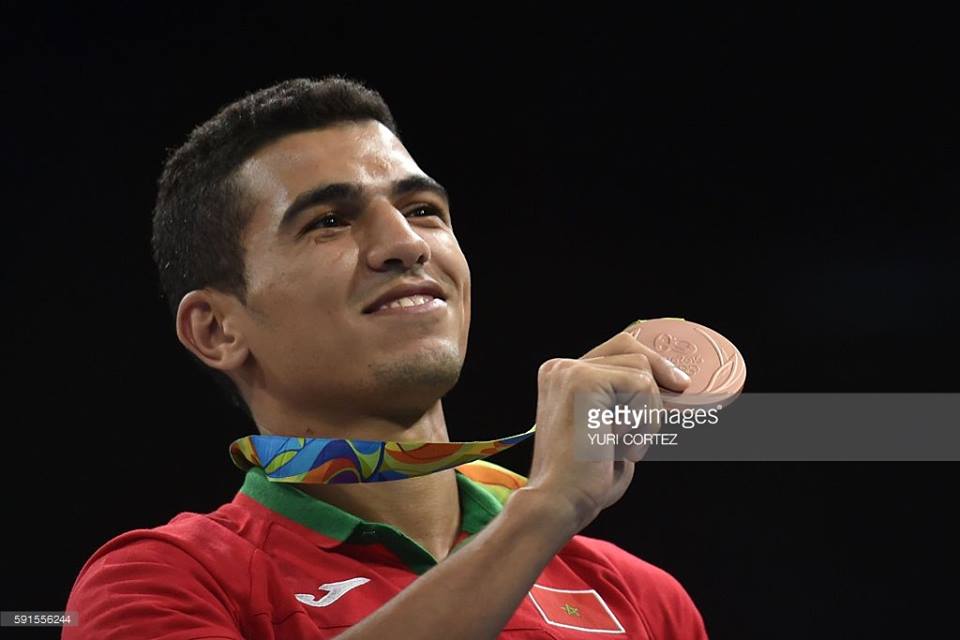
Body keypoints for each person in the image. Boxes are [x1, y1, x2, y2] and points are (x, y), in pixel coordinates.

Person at [63, 77, 708, 639]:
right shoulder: (160, 583)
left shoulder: (640, 598)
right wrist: (541, 513)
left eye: (423, 210)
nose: (406, 243)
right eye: (328, 221)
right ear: (217, 330)